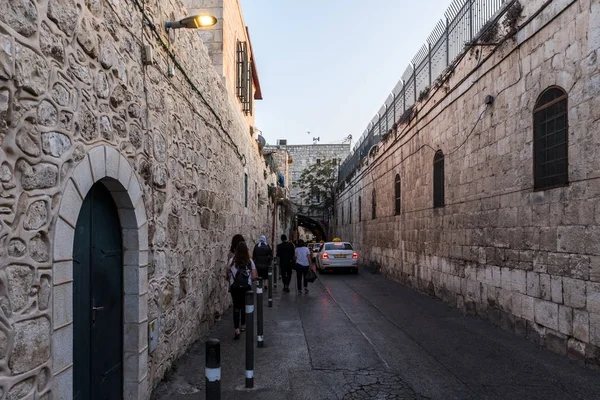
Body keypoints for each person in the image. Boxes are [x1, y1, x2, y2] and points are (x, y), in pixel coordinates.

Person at [226, 241, 257, 340]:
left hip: (234, 287)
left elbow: (227, 274)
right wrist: (248, 279)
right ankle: (243, 325)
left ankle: (236, 329)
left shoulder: (232, 261)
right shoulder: (250, 262)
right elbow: (255, 276)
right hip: (246, 287)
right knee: (244, 305)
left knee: (236, 306)